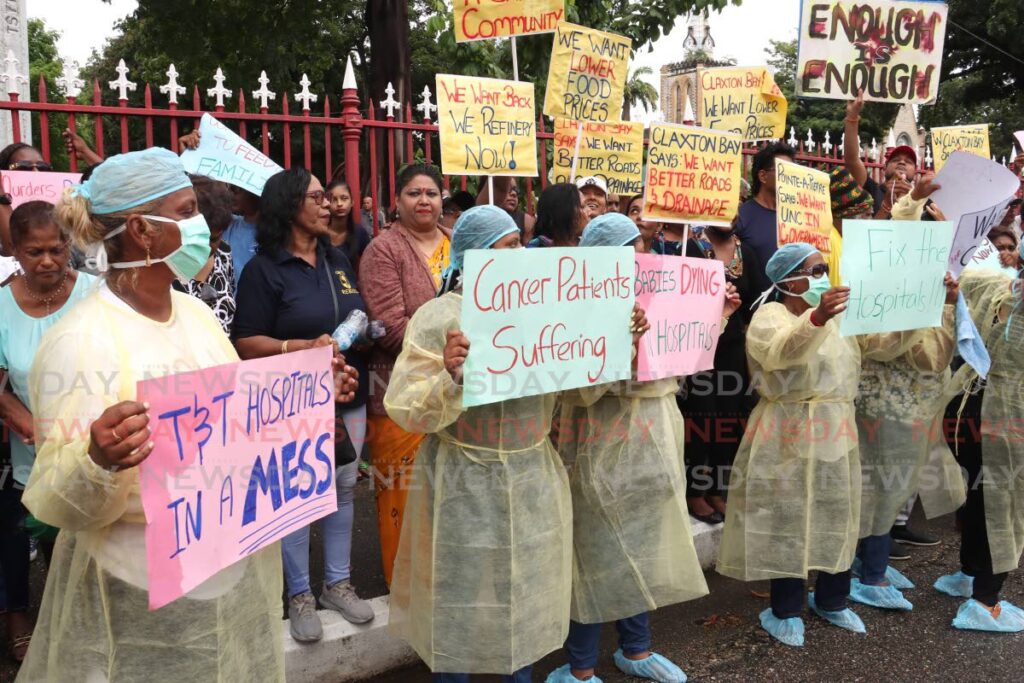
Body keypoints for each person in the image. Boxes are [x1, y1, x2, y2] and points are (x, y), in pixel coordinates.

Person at [17, 147, 287, 681]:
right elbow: (59, 499)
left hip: (224, 565)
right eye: (186, 211)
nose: (201, 224)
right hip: (138, 586)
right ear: (142, 229)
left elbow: (236, 417)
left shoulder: (196, 314)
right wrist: (98, 459)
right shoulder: (81, 341)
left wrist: (302, 397)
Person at [386, 204, 592, 682]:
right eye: (508, 246)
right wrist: (451, 377)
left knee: (522, 592)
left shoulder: (545, 314)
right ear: (475, 257)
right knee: (456, 594)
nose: (521, 254)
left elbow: (581, 391)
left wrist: (619, 340)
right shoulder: (439, 318)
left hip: (531, 476)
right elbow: (406, 406)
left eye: (521, 242)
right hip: (462, 482)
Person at [717, 243, 946, 647]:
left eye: (825, 267)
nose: (825, 274)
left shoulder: (843, 320)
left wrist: (921, 310)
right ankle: (785, 609)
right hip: (786, 431)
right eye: (815, 268)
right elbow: (781, 355)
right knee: (789, 521)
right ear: (788, 279)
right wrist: (817, 316)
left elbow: (885, 345)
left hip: (837, 429)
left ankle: (833, 599)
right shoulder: (768, 316)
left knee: (837, 513)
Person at [546, 213, 727, 683]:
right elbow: (577, 389)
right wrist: (621, 342)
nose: (638, 257)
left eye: (640, 246)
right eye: (628, 248)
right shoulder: (576, 308)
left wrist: (716, 314)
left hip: (656, 434)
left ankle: (637, 648)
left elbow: (685, 356)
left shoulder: (658, 295)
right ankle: (581, 665)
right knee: (596, 550)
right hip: (600, 445)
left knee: (641, 545)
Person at [232, 167, 374, 642]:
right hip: (289, 403)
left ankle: (338, 583)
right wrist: (300, 350)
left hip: (344, 396)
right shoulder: (263, 270)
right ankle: (298, 594)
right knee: (295, 496)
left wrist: (354, 345)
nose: (327, 204)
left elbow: (352, 321)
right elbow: (246, 342)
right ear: (289, 205)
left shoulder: (337, 261)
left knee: (343, 488)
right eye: (315, 197)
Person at [0, 201, 96, 661]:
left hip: (96, 451)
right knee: (47, 538)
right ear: (14, 250)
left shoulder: (96, 294)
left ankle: (88, 629)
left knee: (95, 546)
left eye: (57, 250)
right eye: (34, 252)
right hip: (34, 454)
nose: (48, 262)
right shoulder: (0, 305)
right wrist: (15, 412)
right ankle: (32, 621)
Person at [359, 163, 450, 586]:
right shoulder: (383, 250)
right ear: (397, 201)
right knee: (404, 502)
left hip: (452, 398)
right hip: (400, 398)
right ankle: (406, 593)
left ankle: (446, 592)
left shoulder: (455, 243)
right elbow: (392, 326)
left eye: (431, 193)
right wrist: (452, 349)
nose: (424, 201)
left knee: (448, 501)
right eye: (414, 193)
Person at [848, 274, 957, 612]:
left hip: (918, 413)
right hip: (883, 412)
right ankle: (871, 574)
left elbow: (941, 355)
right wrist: (922, 314)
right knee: (881, 491)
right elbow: (925, 356)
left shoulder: (929, 301)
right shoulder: (870, 301)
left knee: (895, 490)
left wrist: (948, 304)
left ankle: (868, 563)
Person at [932, 253, 1024, 632]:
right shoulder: (996, 288)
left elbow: (958, 274)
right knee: (1004, 506)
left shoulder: (993, 286)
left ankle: (969, 574)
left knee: (980, 495)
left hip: (966, 407)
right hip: (1004, 419)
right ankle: (985, 600)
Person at [679, 215, 766, 523]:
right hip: (698, 347)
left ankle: (716, 490)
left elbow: (758, 300)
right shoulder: (690, 247)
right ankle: (695, 492)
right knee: (701, 420)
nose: (728, 217)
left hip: (731, 350)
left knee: (729, 419)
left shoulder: (747, 251)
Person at [177, 130, 261, 287]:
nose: (230, 194)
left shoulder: (274, 230)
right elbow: (204, 198)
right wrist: (189, 160)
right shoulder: (224, 224)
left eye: (237, 189)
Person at [176, 175, 236, 334]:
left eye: (215, 239)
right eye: (201, 237)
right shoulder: (165, 264)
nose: (208, 247)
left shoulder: (224, 254)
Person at [734, 141, 796, 274]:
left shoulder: (797, 218)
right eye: (784, 171)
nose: (790, 178)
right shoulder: (741, 217)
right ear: (763, 176)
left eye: (793, 172)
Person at [824, 167, 875, 288]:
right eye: (867, 215)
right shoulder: (826, 242)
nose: (871, 221)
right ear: (847, 215)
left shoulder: (843, 240)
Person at [326, 178, 371, 272]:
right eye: (334, 199)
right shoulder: (318, 232)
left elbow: (371, 265)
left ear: (352, 202)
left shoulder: (360, 233)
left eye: (344, 198)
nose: (339, 204)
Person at [530, 183, 587, 248]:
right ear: (564, 213)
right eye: (582, 207)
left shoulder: (592, 244)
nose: (589, 212)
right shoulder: (535, 250)